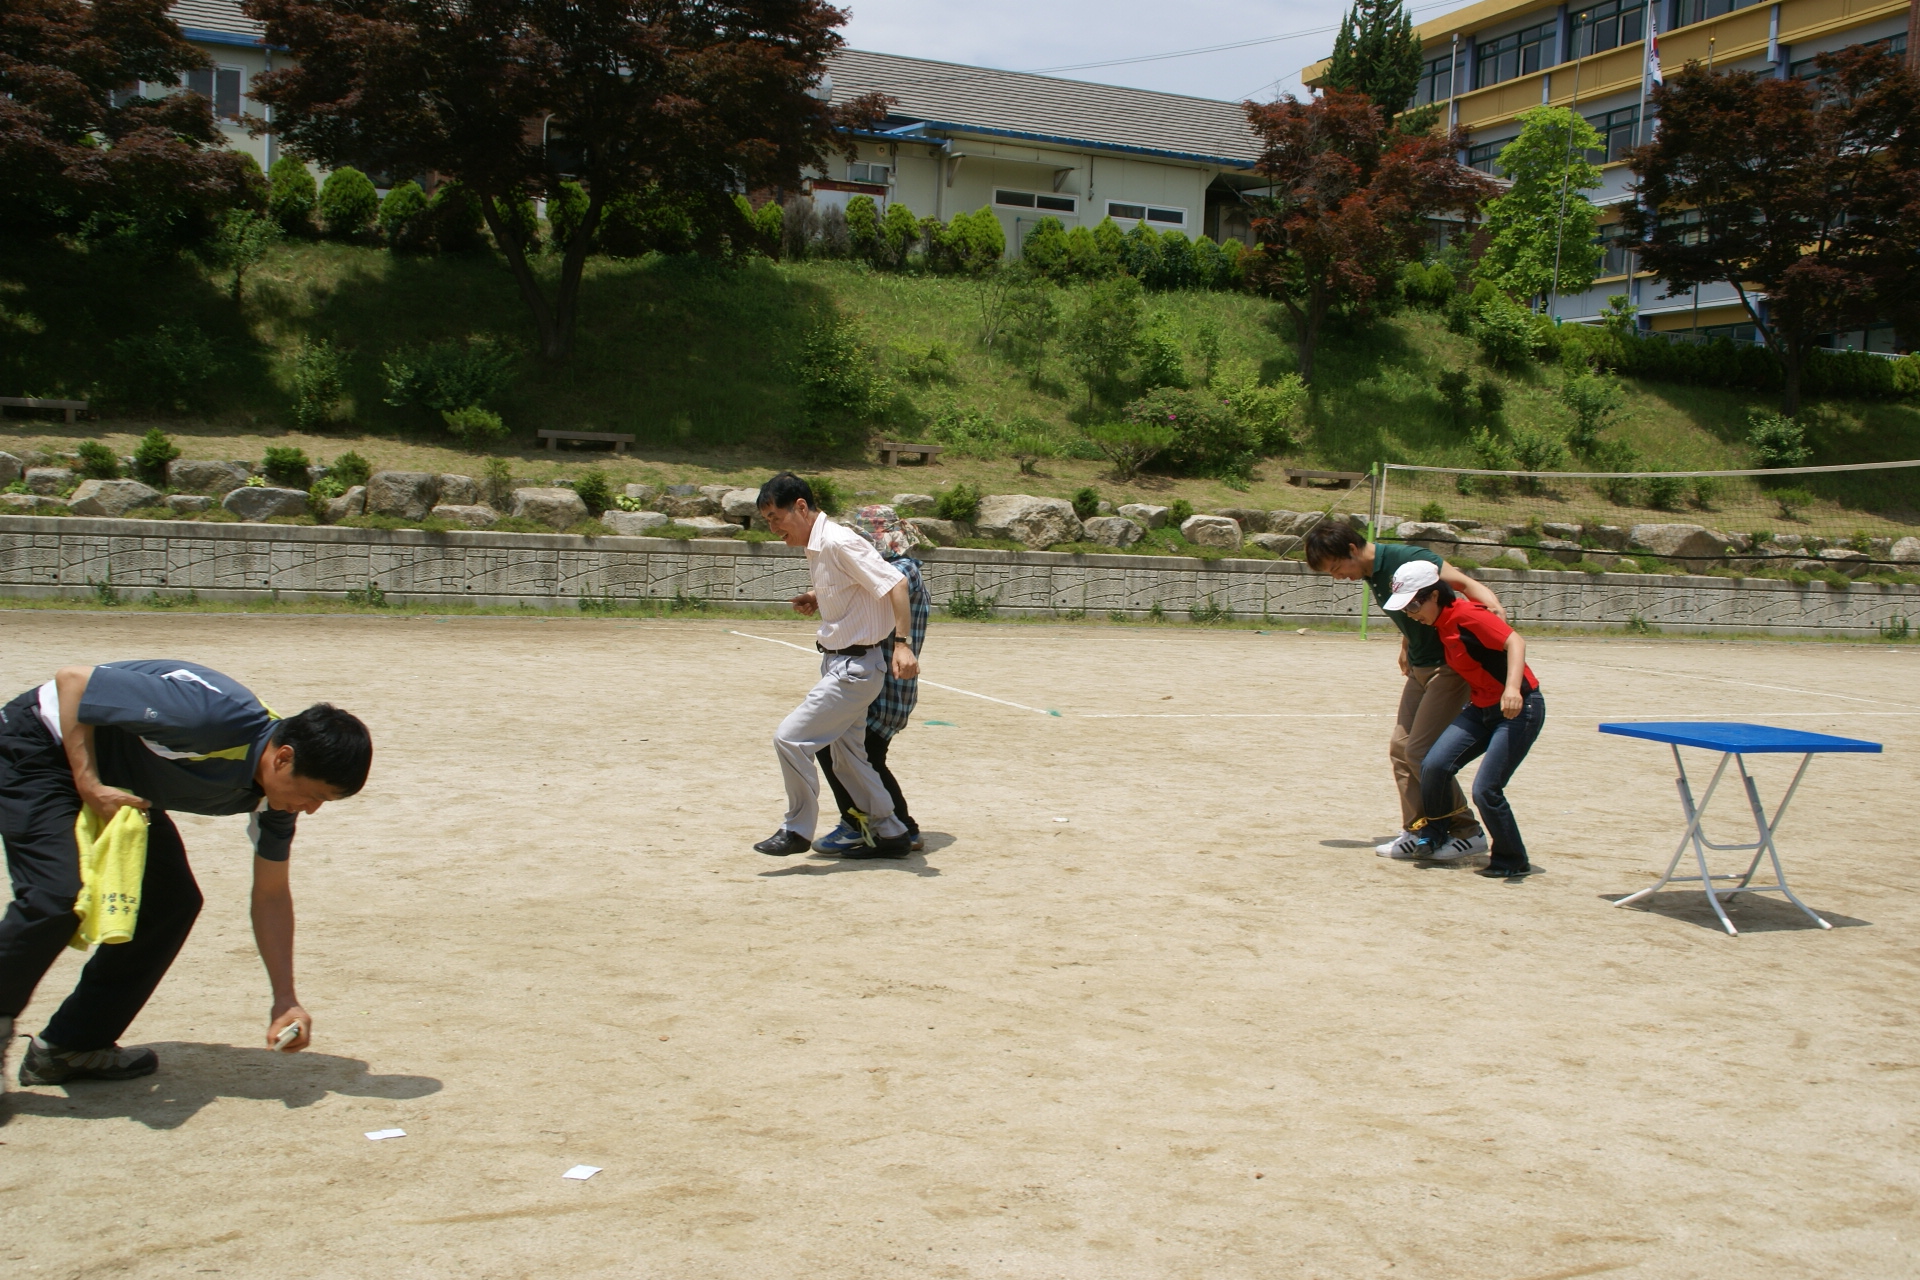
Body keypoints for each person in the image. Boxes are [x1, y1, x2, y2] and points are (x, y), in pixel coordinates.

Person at [1, 661, 372, 1088]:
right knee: (54, 897)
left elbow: (271, 894)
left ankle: (71, 1046)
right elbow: (74, 683)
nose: (310, 809)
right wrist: (87, 783)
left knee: (172, 902)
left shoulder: (275, 801)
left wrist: (284, 1000)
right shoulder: (211, 719)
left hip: (118, 780)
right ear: (283, 757)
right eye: (313, 795)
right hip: (41, 744)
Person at [1304, 519, 1505, 862]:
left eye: (1338, 568)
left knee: (1420, 750)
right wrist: (1406, 644)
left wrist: (1498, 621)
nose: (1339, 577)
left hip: (1449, 666)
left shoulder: (1406, 558)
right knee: (1400, 748)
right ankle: (1418, 830)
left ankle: (1467, 831)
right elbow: (1411, 608)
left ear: (1352, 549)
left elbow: (1466, 585)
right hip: (1421, 665)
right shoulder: (1371, 574)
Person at [754, 474, 921, 860]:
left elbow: (896, 583)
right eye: (767, 520)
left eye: (775, 516)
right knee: (848, 757)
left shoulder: (836, 540)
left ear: (800, 506)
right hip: (841, 663)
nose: (773, 527)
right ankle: (891, 831)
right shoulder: (818, 545)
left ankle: (796, 829)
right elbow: (855, 584)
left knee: (790, 738)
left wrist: (902, 646)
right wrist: (818, 596)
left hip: (855, 668)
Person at [1383, 560, 1545, 880]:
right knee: (1433, 764)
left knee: (1486, 789)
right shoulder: (1440, 623)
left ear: (1435, 596)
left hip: (1517, 710)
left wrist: (1512, 688)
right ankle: (1437, 830)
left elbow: (1515, 642)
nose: (1411, 612)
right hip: (1482, 708)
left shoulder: (1468, 615)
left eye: (1415, 604)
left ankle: (1512, 858)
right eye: (1405, 608)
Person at [814, 505, 931, 854]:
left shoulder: (901, 572)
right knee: (863, 757)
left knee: (847, 752)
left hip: (883, 686)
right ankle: (900, 827)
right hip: (881, 684)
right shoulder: (894, 570)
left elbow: (869, 596)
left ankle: (860, 823)